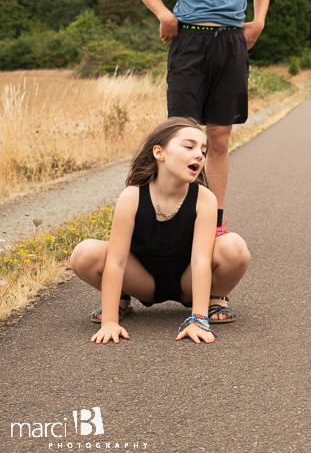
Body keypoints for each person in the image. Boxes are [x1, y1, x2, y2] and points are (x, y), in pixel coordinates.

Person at [136, 0, 269, 237]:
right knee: (180, 136)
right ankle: (170, 216)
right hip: (189, 42)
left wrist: (257, 22)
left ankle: (213, 221)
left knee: (220, 137)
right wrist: (165, 14)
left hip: (230, 44)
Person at [70, 117, 251, 345]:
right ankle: (119, 300)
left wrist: (198, 320)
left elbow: (200, 262)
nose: (199, 155)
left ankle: (213, 300)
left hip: (188, 283)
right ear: (159, 153)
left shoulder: (204, 198)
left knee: (234, 246)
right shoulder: (132, 196)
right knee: (84, 253)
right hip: (143, 281)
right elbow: (116, 262)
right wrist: (109, 322)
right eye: (189, 146)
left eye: (203, 150)